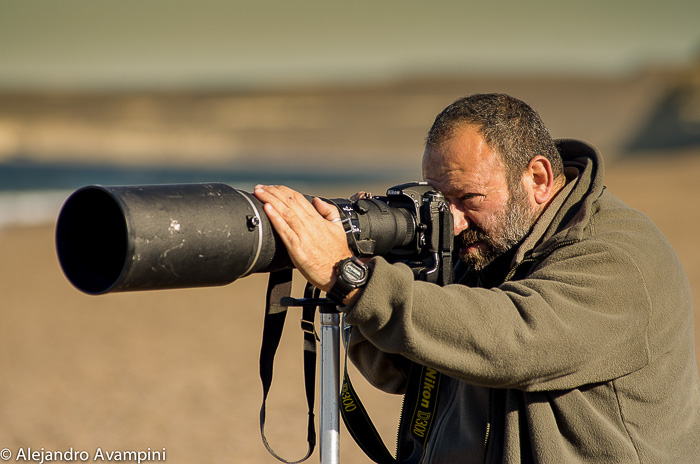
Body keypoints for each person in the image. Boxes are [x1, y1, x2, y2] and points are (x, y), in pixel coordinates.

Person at [253, 93, 700, 463]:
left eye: (469, 198)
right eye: (439, 200)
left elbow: (511, 340)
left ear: (539, 178)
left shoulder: (619, 257)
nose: (455, 220)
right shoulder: (493, 246)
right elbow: (402, 370)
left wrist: (350, 275)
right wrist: (377, 259)